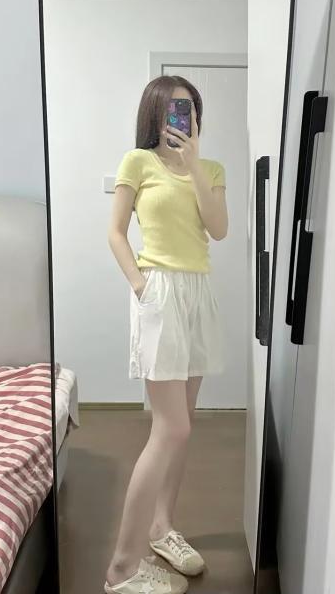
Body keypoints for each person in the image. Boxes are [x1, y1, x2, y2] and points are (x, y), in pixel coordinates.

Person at [104, 75, 228, 594]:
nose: (184, 116)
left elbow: (218, 229)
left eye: (190, 108)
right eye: (175, 108)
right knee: (169, 428)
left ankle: (162, 528)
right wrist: (140, 285)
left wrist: (194, 162)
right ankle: (121, 568)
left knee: (184, 425)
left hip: (197, 293)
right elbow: (115, 231)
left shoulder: (211, 169)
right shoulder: (138, 162)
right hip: (159, 292)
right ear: (155, 113)